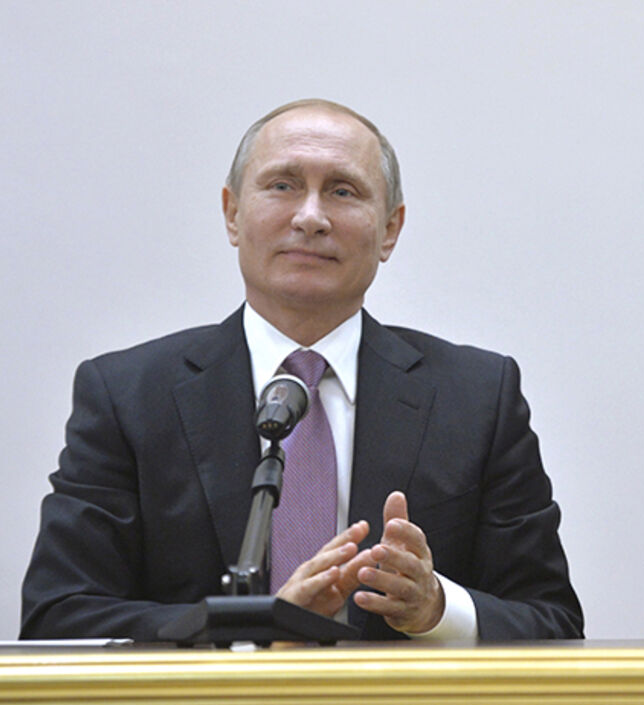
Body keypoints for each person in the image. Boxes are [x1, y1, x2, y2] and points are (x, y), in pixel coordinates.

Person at [21, 99, 583, 642]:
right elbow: (60, 618)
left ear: (389, 229)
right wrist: (254, 630)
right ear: (233, 214)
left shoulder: (478, 399)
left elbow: (553, 621)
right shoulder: (128, 395)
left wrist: (438, 609)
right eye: (283, 185)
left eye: (342, 191)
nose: (311, 217)